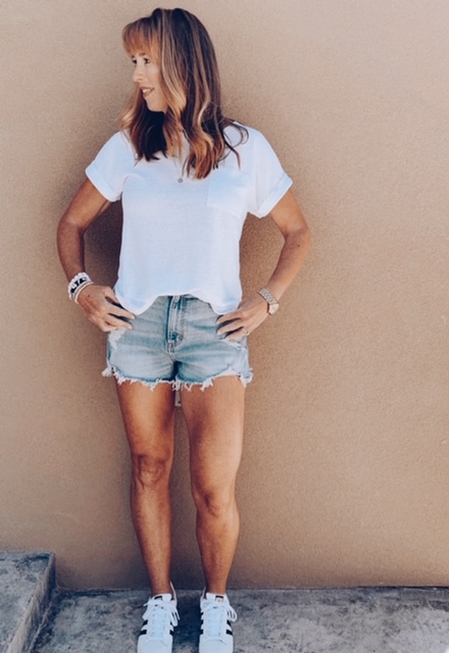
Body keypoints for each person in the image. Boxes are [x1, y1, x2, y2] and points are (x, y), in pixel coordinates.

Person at [57, 7, 311, 653]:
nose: (137, 74)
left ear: (180, 63)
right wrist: (82, 289)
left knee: (213, 487)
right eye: (134, 62)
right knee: (149, 466)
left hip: (213, 331)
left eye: (146, 60)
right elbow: (71, 223)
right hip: (138, 327)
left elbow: (297, 232)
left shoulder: (243, 148)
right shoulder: (128, 147)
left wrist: (267, 301)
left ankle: (217, 604)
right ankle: (161, 601)